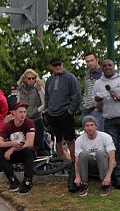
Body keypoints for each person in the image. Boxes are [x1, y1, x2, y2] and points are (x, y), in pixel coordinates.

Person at [45, 57, 82, 192]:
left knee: (70, 139)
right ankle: (62, 164)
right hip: (52, 113)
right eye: (54, 65)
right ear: (51, 66)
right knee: (57, 139)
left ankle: (73, 165)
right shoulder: (49, 80)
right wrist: (47, 110)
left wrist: (70, 111)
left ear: (63, 64)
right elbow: (47, 96)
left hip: (65, 113)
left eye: (59, 64)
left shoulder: (70, 77)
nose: (57, 67)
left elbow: (77, 96)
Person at [0, 102, 36, 195]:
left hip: (25, 153)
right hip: (14, 155)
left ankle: (28, 181)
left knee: (29, 149)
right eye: (20, 112)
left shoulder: (29, 123)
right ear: (14, 113)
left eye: (24, 112)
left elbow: (29, 142)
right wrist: (12, 143)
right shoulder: (9, 125)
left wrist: (12, 148)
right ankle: (12, 179)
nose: (23, 114)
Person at [93, 59, 120, 188]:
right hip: (109, 120)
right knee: (113, 150)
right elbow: (96, 105)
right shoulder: (98, 83)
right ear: (102, 68)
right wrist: (98, 99)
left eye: (110, 65)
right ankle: (116, 177)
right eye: (105, 66)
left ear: (114, 66)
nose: (108, 67)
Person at [74, 116, 115, 197]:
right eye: (87, 125)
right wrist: (77, 176)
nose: (90, 128)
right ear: (84, 127)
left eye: (92, 125)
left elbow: (112, 157)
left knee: (100, 153)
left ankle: (105, 185)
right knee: (82, 154)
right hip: (89, 167)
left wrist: (108, 176)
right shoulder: (79, 140)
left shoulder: (106, 137)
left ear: (96, 126)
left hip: (104, 165)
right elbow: (77, 160)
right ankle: (84, 185)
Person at [16, 69, 48, 156]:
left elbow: (44, 103)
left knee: (39, 144)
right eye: (28, 78)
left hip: (36, 119)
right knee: (25, 144)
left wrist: (35, 111)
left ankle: (41, 166)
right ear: (25, 79)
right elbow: (18, 102)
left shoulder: (38, 88)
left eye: (33, 78)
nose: (31, 80)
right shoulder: (20, 89)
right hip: (25, 120)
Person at [82, 52, 105, 131]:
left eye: (92, 60)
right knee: (87, 136)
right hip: (86, 108)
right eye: (87, 61)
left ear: (97, 60)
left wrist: (98, 107)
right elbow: (87, 90)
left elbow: (105, 92)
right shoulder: (88, 73)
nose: (90, 63)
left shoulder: (103, 73)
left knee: (98, 135)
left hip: (97, 109)